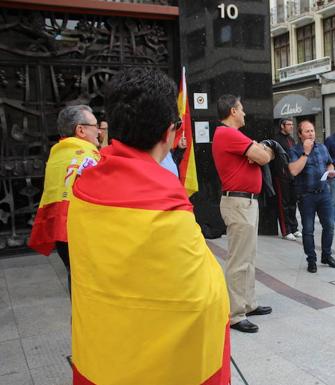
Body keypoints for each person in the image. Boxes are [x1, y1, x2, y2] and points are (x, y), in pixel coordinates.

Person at [67, 68, 230, 384]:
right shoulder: (166, 197)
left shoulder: (84, 186)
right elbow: (202, 294)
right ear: (169, 131)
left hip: (103, 348)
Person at [212, 94, 274, 333]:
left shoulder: (230, 135)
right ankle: (236, 314)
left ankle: (248, 304)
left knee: (248, 257)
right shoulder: (228, 134)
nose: (245, 113)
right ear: (233, 111)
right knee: (239, 260)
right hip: (238, 203)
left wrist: (258, 152)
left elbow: (258, 156)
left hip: (245, 202)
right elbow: (263, 157)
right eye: (242, 108)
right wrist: (262, 151)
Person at [29, 105, 101, 293]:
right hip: (84, 231)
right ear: (81, 130)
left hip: (61, 232)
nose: (99, 131)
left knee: (75, 278)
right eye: (95, 125)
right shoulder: (88, 155)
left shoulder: (58, 154)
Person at [288, 120, 335, 273]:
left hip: (324, 193)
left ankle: (326, 255)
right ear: (299, 134)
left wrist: (330, 171)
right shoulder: (295, 150)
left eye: (312, 130)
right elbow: (293, 171)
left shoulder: (322, 147)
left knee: (329, 226)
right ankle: (311, 260)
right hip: (306, 196)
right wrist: (305, 153)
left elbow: (329, 163)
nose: (311, 134)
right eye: (307, 131)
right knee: (308, 230)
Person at [274, 118, 301, 241]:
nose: (291, 127)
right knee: (283, 203)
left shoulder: (291, 139)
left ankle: (294, 228)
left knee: (292, 202)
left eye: (292, 124)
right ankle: (286, 231)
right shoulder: (276, 139)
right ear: (282, 126)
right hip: (281, 175)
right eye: (288, 124)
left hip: (292, 174)